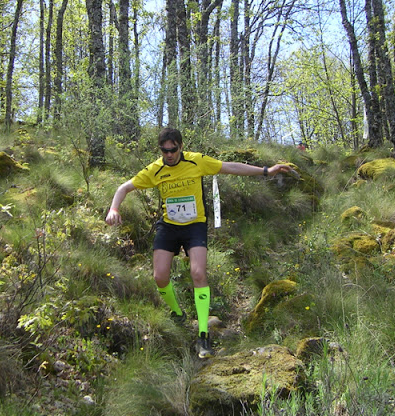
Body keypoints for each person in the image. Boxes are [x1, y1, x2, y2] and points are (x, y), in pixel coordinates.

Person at [105, 128, 294, 358]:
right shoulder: (155, 169)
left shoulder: (197, 161)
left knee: (198, 273)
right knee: (159, 276)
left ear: (181, 147)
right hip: (169, 226)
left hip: (195, 225)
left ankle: (203, 334)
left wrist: (266, 170)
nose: (169, 155)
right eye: (165, 151)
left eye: (173, 150)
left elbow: (230, 167)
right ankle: (178, 314)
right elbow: (124, 188)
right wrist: (114, 208)